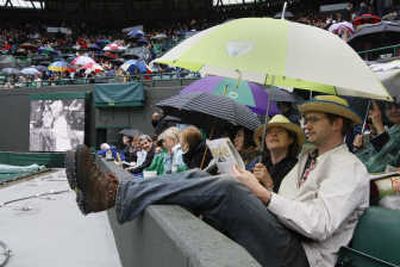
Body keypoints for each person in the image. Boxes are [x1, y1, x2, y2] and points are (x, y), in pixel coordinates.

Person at [66, 95, 369, 267]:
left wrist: (263, 196)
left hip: (303, 258)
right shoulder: (307, 159)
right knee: (203, 176)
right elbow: (289, 205)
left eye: (314, 119)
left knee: (227, 190)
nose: (307, 124)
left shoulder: (350, 168)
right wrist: (263, 187)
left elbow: (319, 225)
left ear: (337, 123)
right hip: (285, 239)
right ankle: (117, 191)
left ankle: (116, 193)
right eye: (307, 119)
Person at [252, 114, 304, 192]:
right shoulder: (260, 163)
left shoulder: (296, 168)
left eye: (280, 131)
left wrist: (269, 184)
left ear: (291, 139)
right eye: (269, 132)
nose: (274, 135)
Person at [353, 100, 400, 173]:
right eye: (389, 108)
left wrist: (379, 126)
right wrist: (359, 148)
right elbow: (364, 163)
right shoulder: (391, 131)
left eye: (398, 107)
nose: (393, 111)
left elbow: (385, 163)